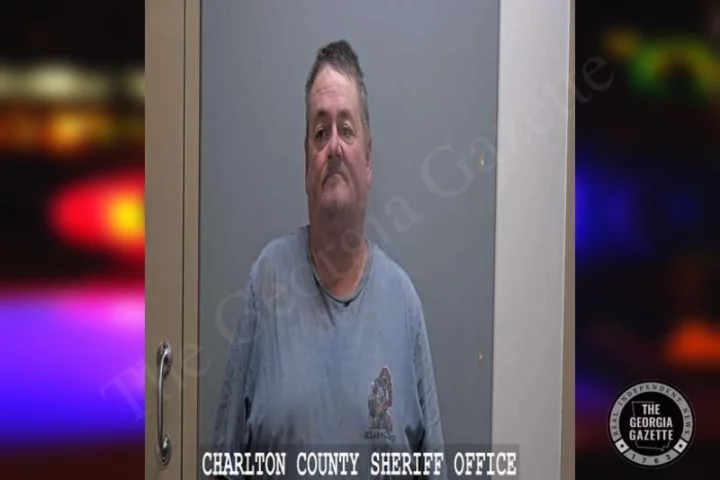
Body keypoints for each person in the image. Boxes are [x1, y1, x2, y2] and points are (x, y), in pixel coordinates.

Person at [212, 39, 444, 472]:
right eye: (321, 133)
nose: (333, 146)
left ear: (368, 160)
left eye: (346, 129)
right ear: (307, 165)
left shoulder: (403, 303)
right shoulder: (267, 281)